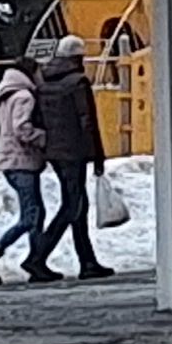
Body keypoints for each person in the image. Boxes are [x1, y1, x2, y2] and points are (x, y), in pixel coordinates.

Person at [30, 34, 106, 279]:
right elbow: (87, 121)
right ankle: (37, 256)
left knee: (77, 204)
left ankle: (87, 261)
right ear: (78, 57)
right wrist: (97, 155)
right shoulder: (78, 83)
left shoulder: (44, 83)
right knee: (73, 205)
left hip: (55, 152)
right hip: (75, 151)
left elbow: (38, 118)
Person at [0, 56, 48, 279]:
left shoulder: (6, 94)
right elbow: (21, 129)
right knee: (31, 216)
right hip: (21, 160)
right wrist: (44, 138)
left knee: (36, 213)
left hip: (12, 160)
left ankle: (37, 262)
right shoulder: (24, 96)